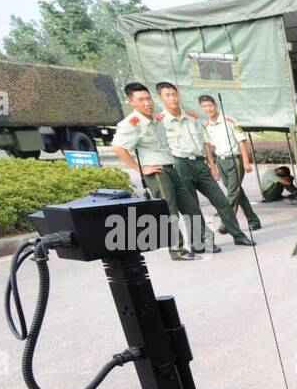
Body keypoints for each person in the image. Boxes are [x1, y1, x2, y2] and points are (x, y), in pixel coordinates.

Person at [154, 82, 254, 247]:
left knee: (221, 200)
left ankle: (238, 235)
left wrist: (212, 165)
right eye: (168, 95)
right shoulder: (160, 122)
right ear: (161, 97)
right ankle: (200, 242)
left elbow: (205, 143)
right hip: (180, 165)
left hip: (200, 164)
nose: (172, 98)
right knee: (191, 206)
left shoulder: (192, 117)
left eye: (174, 94)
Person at [110, 82, 202, 260]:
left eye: (148, 98)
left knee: (192, 208)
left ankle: (199, 244)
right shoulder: (131, 123)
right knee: (169, 211)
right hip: (157, 172)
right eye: (141, 100)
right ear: (132, 102)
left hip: (171, 168)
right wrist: (140, 168)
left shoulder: (156, 120)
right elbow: (118, 147)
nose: (147, 103)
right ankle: (177, 250)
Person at [198, 95, 261, 232]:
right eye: (204, 106)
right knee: (237, 192)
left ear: (215, 105)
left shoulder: (229, 121)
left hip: (235, 160)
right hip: (220, 161)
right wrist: (213, 167)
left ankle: (227, 223)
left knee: (232, 193)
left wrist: (246, 161)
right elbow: (207, 148)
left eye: (210, 105)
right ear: (201, 108)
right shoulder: (206, 126)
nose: (208, 109)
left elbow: (242, 141)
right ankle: (254, 220)